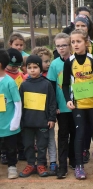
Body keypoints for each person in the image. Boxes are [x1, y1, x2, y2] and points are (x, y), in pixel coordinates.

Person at [62, 29, 93, 180]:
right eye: (73, 42)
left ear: (86, 43)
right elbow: (65, 84)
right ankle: (79, 165)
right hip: (78, 104)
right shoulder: (69, 62)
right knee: (80, 133)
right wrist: (68, 99)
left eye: (78, 41)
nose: (75, 44)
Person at [19, 55, 56, 178]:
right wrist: (20, 120)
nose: (32, 70)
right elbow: (20, 104)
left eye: (35, 67)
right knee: (28, 144)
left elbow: (52, 103)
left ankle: (41, 164)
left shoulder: (47, 84)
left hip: (42, 122)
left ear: (40, 68)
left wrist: (51, 118)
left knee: (42, 145)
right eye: (29, 67)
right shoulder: (24, 85)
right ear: (26, 69)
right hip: (27, 122)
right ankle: (30, 164)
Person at [47, 33, 76, 179]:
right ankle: (62, 166)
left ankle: (74, 160)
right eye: (58, 46)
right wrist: (55, 106)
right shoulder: (54, 64)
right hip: (62, 108)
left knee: (76, 134)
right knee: (63, 135)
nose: (61, 48)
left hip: (77, 106)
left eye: (64, 45)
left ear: (70, 45)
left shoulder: (77, 61)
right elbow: (51, 88)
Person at [74, 14, 93, 162]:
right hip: (78, 96)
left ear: (88, 27)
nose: (80, 28)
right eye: (77, 26)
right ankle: (84, 150)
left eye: (83, 26)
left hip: (92, 93)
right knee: (82, 128)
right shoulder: (72, 44)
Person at [0, 49, 22, 179]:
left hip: (8, 123)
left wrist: (15, 121)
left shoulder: (9, 82)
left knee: (11, 147)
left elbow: (17, 103)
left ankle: (12, 166)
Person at [4, 48, 26, 163]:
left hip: (19, 106)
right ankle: (4, 153)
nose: (14, 68)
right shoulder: (4, 75)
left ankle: (22, 151)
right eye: (12, 65)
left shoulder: (21, 75)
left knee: (20, 130)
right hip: (6, 108)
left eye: (17, 66)